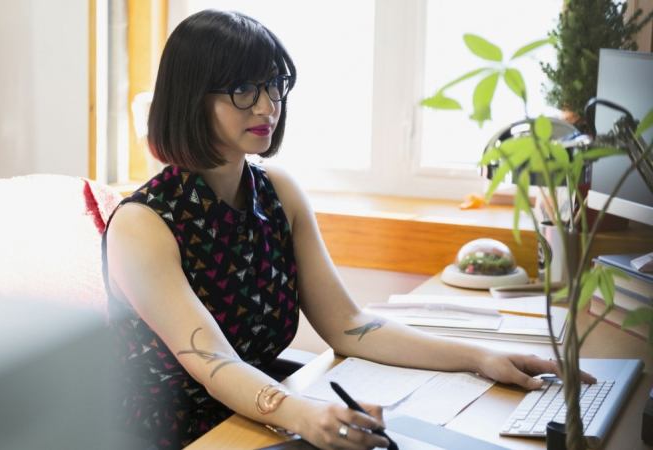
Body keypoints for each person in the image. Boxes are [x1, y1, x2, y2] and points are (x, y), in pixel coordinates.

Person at [102, 9, 594, 450]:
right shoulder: (143, 224)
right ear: (191, 98)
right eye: (244, 90)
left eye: (274, 85)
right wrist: (304, 415)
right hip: (177, 434)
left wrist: (481, 357)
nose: (267, 106)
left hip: (261, 413)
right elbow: (215, 364)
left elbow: (349, 324)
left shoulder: (278, 192)